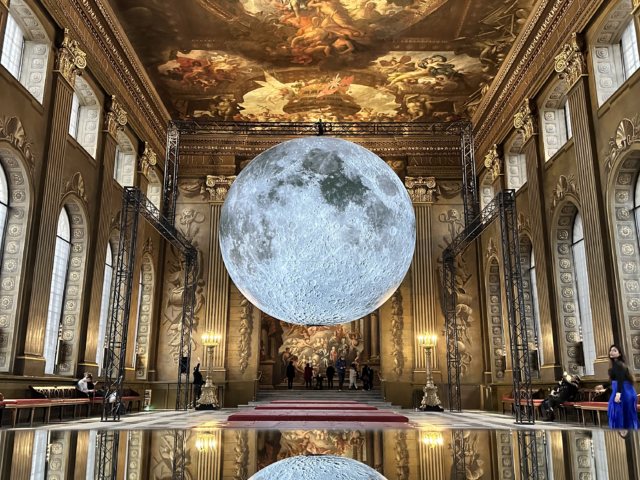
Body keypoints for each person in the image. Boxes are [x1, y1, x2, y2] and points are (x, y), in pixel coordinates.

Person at [596, 344, 639, 429]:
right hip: (620, 390)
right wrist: (603, 386)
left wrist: (618, 393)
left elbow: (620, 379)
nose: (611, 352)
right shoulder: (614, 365)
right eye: (611, 350)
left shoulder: (619, 364)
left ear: (619, 354)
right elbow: (613, 380)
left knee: (619, 414)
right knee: (616, 413)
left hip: (624, 391)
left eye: (614, 350)